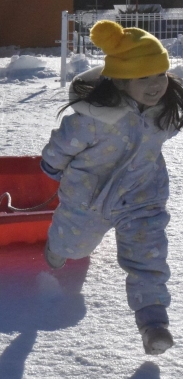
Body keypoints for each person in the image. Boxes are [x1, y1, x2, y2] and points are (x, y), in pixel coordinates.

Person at [41, 20, 182, 355]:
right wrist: (51, 165)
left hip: (142, 200)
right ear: (120, 80)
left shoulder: (164, 112)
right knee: (74, 246)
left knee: (148, 257)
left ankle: (153, 323)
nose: (155, 85)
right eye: (143, 77)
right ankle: (57, 249)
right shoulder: (93, 118)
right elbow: (62, 144)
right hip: (87, 200)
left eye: (160, 74)